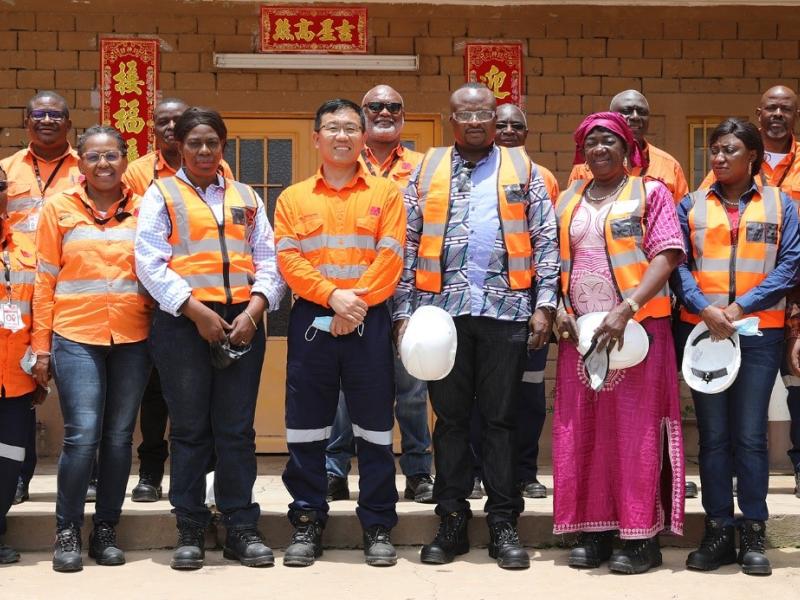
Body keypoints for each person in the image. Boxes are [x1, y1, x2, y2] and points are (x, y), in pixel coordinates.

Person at [394, 83, 559, 570]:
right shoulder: (425, 168)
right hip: (439, 316)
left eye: (484, 113)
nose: (475, 121)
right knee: (449, 421)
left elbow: (544, 238)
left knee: (501, 420)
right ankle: (451, 520)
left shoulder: (523, 168)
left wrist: (545, 305)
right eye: (464, 113)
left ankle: (504, 522)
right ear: (450, 119)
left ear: (496, 118)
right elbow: (405, 240)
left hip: (506, 312)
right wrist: (403, 312)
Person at [135, 107, 284, 570]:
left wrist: (255, 310)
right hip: (184, 324)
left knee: (236, 430)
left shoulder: (246, 197)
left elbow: (269, 260)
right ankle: (191, 527)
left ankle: (240, 526)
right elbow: (148, 261)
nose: (203, 150)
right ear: (178, 145)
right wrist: (194, 310)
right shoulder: (161, 194)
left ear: (223, 144)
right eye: (194, 142)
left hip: (242, 321)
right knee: (190, 430)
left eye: (212, 142)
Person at [274, 98, 405, 567]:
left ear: (364, 135)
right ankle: (307, 522)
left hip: (368, 320)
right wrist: (334, 297)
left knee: (373, 428)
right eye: (333, 128)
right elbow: (289, 261)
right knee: (306, 428)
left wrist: (355, 303)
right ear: (317, 138)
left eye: (352, 127)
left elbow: (391, 256)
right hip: (313, 321)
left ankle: (377, 525)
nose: (343, 136)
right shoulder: (293, 198)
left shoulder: (386, 194)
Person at [553, 112, 685, 575]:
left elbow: (667, 254)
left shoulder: (651, 193)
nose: (599, 150)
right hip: (581, 337)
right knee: (585, 432)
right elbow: (553, 262)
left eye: (609, 141)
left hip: (639, 334)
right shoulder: (568, 199)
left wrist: (626, 307)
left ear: (628, 148)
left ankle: (641, 536)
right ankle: (595, 531)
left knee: (635, 433)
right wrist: (559, 310)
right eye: (591, 143)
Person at [672, 118, 800, 576]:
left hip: (758, 334)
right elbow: (676, 264)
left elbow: (790, 266)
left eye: (729, 150)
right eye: (714, 150)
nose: (719, 158)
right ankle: (718, 529)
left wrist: (739, 306)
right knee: (714, 435)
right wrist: (706, 309)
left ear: (753, 157)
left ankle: (753, 532)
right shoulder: (689, 204)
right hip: (703, 332)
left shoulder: (781, 204)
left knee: (749, 436)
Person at [31, 126, 153, 572]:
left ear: (125, 159)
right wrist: (41, 349)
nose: (103, 165)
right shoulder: (57, 209)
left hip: (133, 338)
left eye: (112, 156)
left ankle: (106, 530)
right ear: (80, 163)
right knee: (83, 435)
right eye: (93, 157)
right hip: (75, 336)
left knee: (120, 438)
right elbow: (43, 282)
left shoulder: (146, 208)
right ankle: (67, 531)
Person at [324, 85, 433, 505]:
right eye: (375, 107)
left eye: (394, 106)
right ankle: (335, 470)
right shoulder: (345, 163)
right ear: (363, 116)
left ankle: (419, 472)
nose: (385, 112)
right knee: (344, 391)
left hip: (408, 295)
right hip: (353, 294)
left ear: (404, 116)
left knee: (411, 389)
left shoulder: (424, 169)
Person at [123, 98, 233, 503]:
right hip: (159, 304)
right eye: (163, 122)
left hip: (213, 308)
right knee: (157, 396)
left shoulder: (222, 174)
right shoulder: (139, 174)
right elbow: (142, 239)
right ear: (156, 131)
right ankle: (152, 472)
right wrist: (178, 298)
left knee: (207, 407)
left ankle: (208, 485)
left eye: (177, 120)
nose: (171, 127)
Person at [704, 87, 800, 498]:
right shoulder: (709, 186)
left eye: (786, 108)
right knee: (724, 430)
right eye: (771, 108)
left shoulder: (787, 195)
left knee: (793, 386)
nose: (778, 114)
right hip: (722, 319)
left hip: (776, 307)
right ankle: (721, 524)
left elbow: (790, 257)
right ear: (758, 114)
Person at [469, 102, 559, 501]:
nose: (506, 130)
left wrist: (546, 305)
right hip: (481, 312)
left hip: (527, 310)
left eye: (515, 125)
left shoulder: (540, 178)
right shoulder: (470, 174)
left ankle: (524, 471)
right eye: (500, 123)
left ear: (526, 134)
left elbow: (550, 244)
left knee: (527, 395)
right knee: (475, 396)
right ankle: (473, 471)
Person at [0, 91, 81, 506]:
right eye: (38, 114)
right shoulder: (8, 169)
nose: (47, 120)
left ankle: (85, 476)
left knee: (76, 386)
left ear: (69, 123)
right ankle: (17, 477)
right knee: (18, 390)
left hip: (70, 292)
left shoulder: (86, 169)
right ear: (26, 121)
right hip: (14, 292)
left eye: (55, 114)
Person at [0, 164, 48, 565]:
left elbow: (40, 309)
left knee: (8, 460)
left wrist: (40, 364)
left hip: (14, 377)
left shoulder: (27, 248)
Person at [569, 90, 689, 204]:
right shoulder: (586, 166)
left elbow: (681, 216)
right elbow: (572, 211)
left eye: (642, 112)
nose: (635, 117)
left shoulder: (669, 165)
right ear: (611, 118)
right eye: (627, 111)